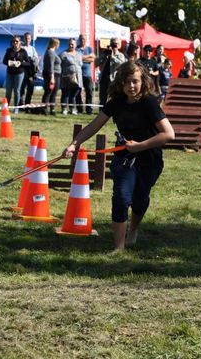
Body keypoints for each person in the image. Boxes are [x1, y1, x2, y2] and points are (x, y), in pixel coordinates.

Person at [63, 61, 175, 252]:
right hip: (124, 158)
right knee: (121, 198)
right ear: (120, 84)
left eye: (135, 81)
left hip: (149, 159)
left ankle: (134, 229)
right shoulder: (116, 102)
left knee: (140, 199)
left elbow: (168, 134)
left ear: (143, 81)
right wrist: (75, 143)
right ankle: (119, 247)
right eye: (127, 82)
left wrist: (139, 146)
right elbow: (93, 125)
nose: (131, 86)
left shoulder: (149, 103)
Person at [3, 36, 29, 114]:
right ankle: (6, 107)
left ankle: (16, 108)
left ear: (20, 42)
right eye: (13, 41)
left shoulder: (23, 51)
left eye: (17, 41)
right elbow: (4, 61)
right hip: (10, 73)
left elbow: (28, 62)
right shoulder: (9, 51)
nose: (15, 43)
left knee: (17, 91)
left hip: (19, 73)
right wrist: (10, 63)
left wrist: (20, 63)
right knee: (8, 91)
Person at [98, 37, 126, 108]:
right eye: (112, 44)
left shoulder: (120, 55)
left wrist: (112, 56)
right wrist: (103, 56)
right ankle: (101, 112)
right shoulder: (106, 53)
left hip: (113, 79)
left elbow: (121, 64)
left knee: (114, 97)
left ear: (118, 45)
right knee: (102, 98)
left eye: (115, 44)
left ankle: (114, 111)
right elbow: (96, 63)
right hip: (103, 78)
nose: (113, 46)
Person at [59, 38, 83, 115]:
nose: (71, 45)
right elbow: (59, 65)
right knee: (65, 93)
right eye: (69, 44)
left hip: (78, 77)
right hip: (67, 77)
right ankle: (64, 109)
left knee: (74, 94)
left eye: (72, 44)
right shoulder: (63, 54)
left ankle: (72, 109)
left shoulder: (79, 54)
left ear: (75, 45)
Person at [76, 33, 95, 114]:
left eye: (84, 39)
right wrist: (88, 57)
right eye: (81, 39)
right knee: (78, 92)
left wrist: (82, 58)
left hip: (88, 74)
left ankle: (89, 109)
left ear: (86, 40)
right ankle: (80, 109)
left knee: (89, 92)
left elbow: (93, 59)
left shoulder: (90, 49)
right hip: (79, 74)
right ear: (79, 39)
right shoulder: (76, 49)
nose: (83, 40)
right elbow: (77, 58)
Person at [19, 32, 39, 112]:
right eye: (26, 38)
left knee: (30, 90)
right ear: (24, 39)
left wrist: (31, 59)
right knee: (21, 90)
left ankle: (27, 105)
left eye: (29, 38)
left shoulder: (32, 48)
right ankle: (20, 105)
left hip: (31, 72)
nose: (27, 40)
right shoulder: (21, 48)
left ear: (31, 39)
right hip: (23, 72)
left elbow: (36, 58)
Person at [41, 37, 62, 115]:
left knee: (53, 93)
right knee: (49, 92)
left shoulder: (52, 52)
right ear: (55, 44)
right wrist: (52, 78)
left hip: (56, 75)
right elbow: (51, 66)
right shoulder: (50, 53)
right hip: (53, 75)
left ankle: (52, 109)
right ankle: (45, 108)